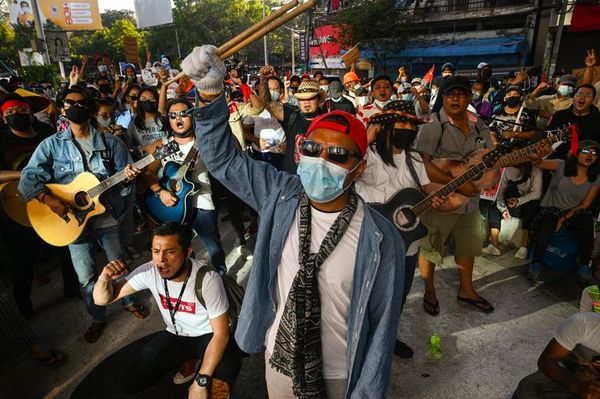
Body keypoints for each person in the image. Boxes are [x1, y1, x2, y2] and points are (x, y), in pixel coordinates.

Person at [180, 44, 406, 398]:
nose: (322, 161)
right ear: (301, 153)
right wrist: (210, 93)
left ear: (358, 168)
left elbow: (381, 327)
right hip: (279, 361)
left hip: (340, 374)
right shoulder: (280, 194)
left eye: (338, 154)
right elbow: (224, 160)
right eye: (314, 149)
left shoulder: (381, 238)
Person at [18, 86, 148, 343]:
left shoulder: (112, 143)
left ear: (90, 108)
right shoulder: (51, 145)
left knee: (119, 265)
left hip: (106, 218)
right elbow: (28, 178)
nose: (75, 107)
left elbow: (125, 180)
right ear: (62, 108)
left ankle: (128, 301)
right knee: (86, 277)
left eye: (80, 103)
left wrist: (128, 179)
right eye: (69, 103)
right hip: (71, 224)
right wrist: (48, 198)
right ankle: (97, 317)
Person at [92, 222, 242, 396]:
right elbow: (102, 299)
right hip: (175, 333)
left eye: (170, 252)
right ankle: (190, 360)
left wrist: (201, 381)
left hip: (207, 335)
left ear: (187, 252)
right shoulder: (150, 271)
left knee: (226, 371)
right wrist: (104, 279)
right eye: (156, 251)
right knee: (131, 384)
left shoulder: (208, 279)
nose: (161, 260)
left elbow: (221, 334)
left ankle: (206, 370)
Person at [355, 100, 442, 359]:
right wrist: (366, 137)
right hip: (369, 240)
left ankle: (386, 338)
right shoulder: (366, 155)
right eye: (400, 123)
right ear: (385, 127)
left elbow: (427, 191)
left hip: (406, 244)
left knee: (398, 297)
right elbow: (345, 174)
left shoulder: (414, 159)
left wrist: (438, 198)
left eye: (410, 125)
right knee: (365, 296)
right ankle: (360, 340)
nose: (406, 129)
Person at [415, 75, 495, 314]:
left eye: (461, 94)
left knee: (467, 246)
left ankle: (466, 289)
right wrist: (458, 184)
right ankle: (429, 290)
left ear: (470, 98)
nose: (456, 98)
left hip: (470, 202)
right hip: (441, 200)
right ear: (443, 98)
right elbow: (422, 165)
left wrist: (525, 155)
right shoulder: (432, 125)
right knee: (431, 247)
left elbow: (490, 157)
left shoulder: (479, 125)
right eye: (450, 94)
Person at [0, 93, 79, 317]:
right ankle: (24, 309)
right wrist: (28, 175)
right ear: (4, 118)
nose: (16, 116)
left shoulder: (47, 135)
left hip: (53, 199)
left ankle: (72, 289)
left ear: (31, 112)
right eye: (10, 113)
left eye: (21, 110)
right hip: (18, 207)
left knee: (65, 247)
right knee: (22, 261)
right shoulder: (2, 140)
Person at [144, 98, 228, 276]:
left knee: (213, 247)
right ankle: (191, 281)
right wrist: (161, 192)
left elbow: (232, 147)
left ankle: (221, 280)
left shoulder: (204, 141)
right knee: (181, 251)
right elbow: (148, 174)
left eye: (184, 114)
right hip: (174, 206)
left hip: (202, 202)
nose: (178, 118)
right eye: (173, 115)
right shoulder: (162, 145)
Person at [527, 140, 600, 281]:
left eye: (594, 153)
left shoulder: (596, 178)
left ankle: (584, 265)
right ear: (577, 153)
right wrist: (539, 155)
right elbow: (538, 164)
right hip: (553, 208)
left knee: (587, 227)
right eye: (585, 151)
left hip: (575, 211)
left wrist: (565, 217)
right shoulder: (561, 166)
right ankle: (535, 262)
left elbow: (585, 204)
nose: (590, 155)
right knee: (546, 229)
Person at [512, 312, 600, 399]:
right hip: (568, 373)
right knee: (528, 389)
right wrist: (575, 385)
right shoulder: (583, 324)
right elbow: (547, 360)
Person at [258, 71, 326, 174]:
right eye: (302, 99)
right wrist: (263, 80)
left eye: (311, 98)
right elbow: (267, 102)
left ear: (319, 99)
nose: (306, 102)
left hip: (317, 181)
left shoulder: (328, 122)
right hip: (291, 180)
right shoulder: (291, 115)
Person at [493, 163, 542, 259]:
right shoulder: (507, 167)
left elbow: (536, 193)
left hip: (525, 201)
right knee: (492, 205)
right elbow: (500, 191)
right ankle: (493, 244)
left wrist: (519, 201)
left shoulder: (535, 169)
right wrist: (503, 209)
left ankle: (524, 246)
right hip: (509, 201)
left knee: (533, 205)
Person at [547, 84, 600, 159]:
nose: (582, 97)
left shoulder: (597, 119)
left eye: (588, 95)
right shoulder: (559, 115)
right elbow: (547, 136)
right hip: (555, 160)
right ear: (573, 97)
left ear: (592, 101)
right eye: (579, 94)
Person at [127, 86, 167, 158]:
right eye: (143, 99)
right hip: (146, 161)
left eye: (151, 98)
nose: (147, 101)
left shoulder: (164, 119)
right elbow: (130, 146)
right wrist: (144, 148)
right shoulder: (134, 123)